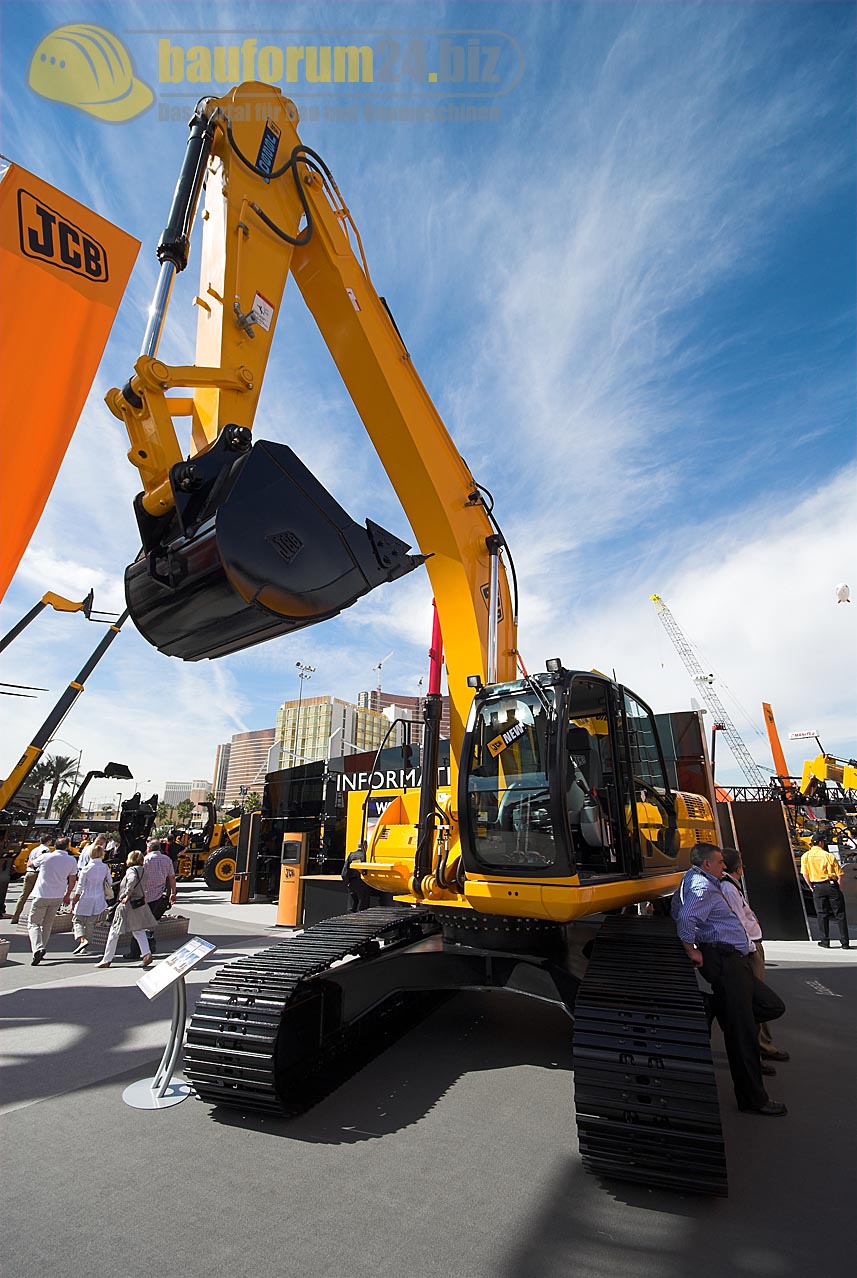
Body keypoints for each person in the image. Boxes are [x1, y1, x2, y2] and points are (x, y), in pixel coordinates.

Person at [672, 842, 787, 1116]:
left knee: (770, 1005)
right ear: (707, 864)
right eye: (720, 862)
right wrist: (691, 950)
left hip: (732, 960)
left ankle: (715, 1006)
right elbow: (685, 918)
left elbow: (679, 910)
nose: (724, 866)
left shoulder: (696, 880)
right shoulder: (701, 887)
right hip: (725, 961)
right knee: (743, 1034)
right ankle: (752, 1099)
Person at [720, 847, 790, 1065]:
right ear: (739, 867)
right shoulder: (728, 888)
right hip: (749, 949)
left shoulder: (731, 886)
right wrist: (750, 947)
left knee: (756, 998)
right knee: (757, 1000)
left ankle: (763, 1045)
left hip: (750, 946)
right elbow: (738, 922)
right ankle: (758, 1048)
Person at [96, 850, 156, 969]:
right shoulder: (144, 870)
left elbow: (132, 881)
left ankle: (107, 959)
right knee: (138, 930)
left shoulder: (131, 870)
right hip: (139, 903)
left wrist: (126, 895)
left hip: (127, 904)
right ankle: (146, 954)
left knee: (114, 931)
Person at [26, 836, 77, 965]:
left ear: (54, 845)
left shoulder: (46, 857)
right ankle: (42, 948)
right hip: (58, 895)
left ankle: (38, 948)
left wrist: (32, 859)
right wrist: (67, 894)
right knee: (47, 924)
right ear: (67, 846)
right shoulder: (71, 860)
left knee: (34, 923)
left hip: (42, 894)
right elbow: (72, 880)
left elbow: (31, 864)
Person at [800, 837, 850, 949]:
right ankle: (845, 942)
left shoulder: (805, 856)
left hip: (817, 886)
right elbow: (839, 875)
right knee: (840, 914)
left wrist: (811, 887)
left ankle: (825, 941)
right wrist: (838, 888)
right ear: (821, 843)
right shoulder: (828, 856)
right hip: (831, 885)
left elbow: (805, 874)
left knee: (822, 914)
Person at [70, 844, 113, 955]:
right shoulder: (105, 867)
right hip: (99, 897)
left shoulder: (86, 868)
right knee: (91, 923)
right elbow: (110, 882)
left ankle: (82, 939)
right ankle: (85, 946)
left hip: (86, 897)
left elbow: (80, 886)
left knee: (77, 920)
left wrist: (75, 899)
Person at [139, 838, 177, 955]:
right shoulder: (167, 860)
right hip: (159, 894)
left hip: (145, 894)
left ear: (149, 848)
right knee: (153, 920)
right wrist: (173, 892)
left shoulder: (146, 859)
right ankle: (150, 939)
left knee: (142, 922)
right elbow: (171, 877)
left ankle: (143, 946)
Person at [10, 838, 51, 925]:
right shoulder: (46, 850)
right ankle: (35, 918)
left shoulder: (34, 849)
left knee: (23, 895)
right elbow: (45, 862)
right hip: (38, 874)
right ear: (49, 841)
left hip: (29, 873)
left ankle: (15, 916)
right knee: (39, 895)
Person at [342, 842, 371, 912]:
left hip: (352, 883)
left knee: (352, 906)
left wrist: (347, 882)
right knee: (363, 906)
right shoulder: (365, 856)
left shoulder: (351, 855)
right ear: (365, 846)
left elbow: (344, 872)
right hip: (363, 883)